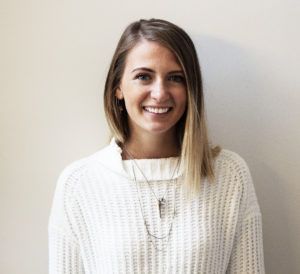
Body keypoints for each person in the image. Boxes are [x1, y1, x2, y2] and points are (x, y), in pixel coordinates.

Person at [48, 19, 265, 273]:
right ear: (118, 87)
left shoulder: (229, 176)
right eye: (143, 76)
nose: (160, 93)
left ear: (190, 88)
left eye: (175, 78)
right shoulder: (79, 184)